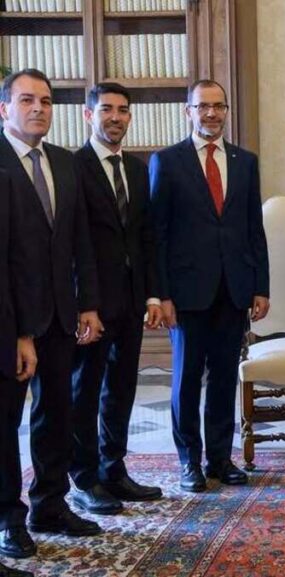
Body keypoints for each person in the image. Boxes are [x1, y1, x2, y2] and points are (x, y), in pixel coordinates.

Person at [150, 79, 270, 492]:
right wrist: (162, 294)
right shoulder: (166, 162)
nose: (212, 114)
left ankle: (220, 459)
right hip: (186, 294)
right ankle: (190, 462)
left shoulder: (245, 161)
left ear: (226, 111)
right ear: (189, 111)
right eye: (203, 107)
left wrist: (260, 286)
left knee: (223, 378)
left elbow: (255, 229)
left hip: (233, 288)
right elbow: (158, 236)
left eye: (219, 106)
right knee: (186, 380)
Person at [0, 68, 104, 543]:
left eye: (45, 100)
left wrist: (88, 303)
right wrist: (19, 331)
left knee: (56, 413)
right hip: (8, 318)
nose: (38, 108)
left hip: (63, 314)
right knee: (6, 424)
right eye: (26, 100)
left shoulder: (64, 162)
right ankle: (8, 520)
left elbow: (80, 238)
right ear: (5, 108)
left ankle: (49, 505)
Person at [70, 82, 164, 515]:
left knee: (122, 388)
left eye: (123, 110)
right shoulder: (73, 168)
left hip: (129, 301)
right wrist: (84, 303)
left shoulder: (139, 168)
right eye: (106, 109)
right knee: (84, 391)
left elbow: (145, 237)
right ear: (89, 115)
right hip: (92, 303)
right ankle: (83, 479)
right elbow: (73, 242)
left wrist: (151, 295)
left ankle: (113, 469)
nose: (115, 117)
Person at [0, 166, 38, 577]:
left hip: (5, 328)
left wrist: (23, 334)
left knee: (4, 433)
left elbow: (16, 262)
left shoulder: (5, 180)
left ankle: (10, 518)